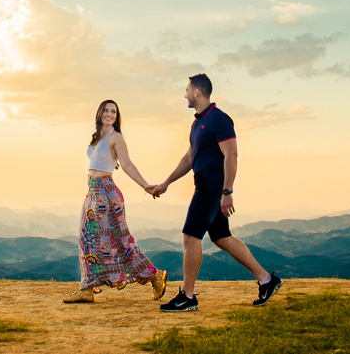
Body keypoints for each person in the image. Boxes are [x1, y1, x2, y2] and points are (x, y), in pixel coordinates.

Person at [148, 74, 282, 311]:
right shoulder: (198, 123)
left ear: (197, 92)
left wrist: (227, 192)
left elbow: (232, 155)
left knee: (191, 237)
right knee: (222, 238)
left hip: (212, 188)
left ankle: (187, 296)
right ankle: (267, 280)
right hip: (206, 187)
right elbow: (189, 158)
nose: (185, 95)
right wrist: (167, 182)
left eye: (187, 90)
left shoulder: (219, 119)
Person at [63, 99, 169, 303]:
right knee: (86, 238)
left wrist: (145, 185)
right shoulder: (97, 138)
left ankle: (154, 274)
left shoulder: (116, 137)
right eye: (106, 110)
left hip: (106, 194)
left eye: (113, 111)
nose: (109, 114)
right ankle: (87, 288)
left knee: (120, 241)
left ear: (116, 116)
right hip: (92, 193)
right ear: (100, 113)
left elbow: (127, 164)